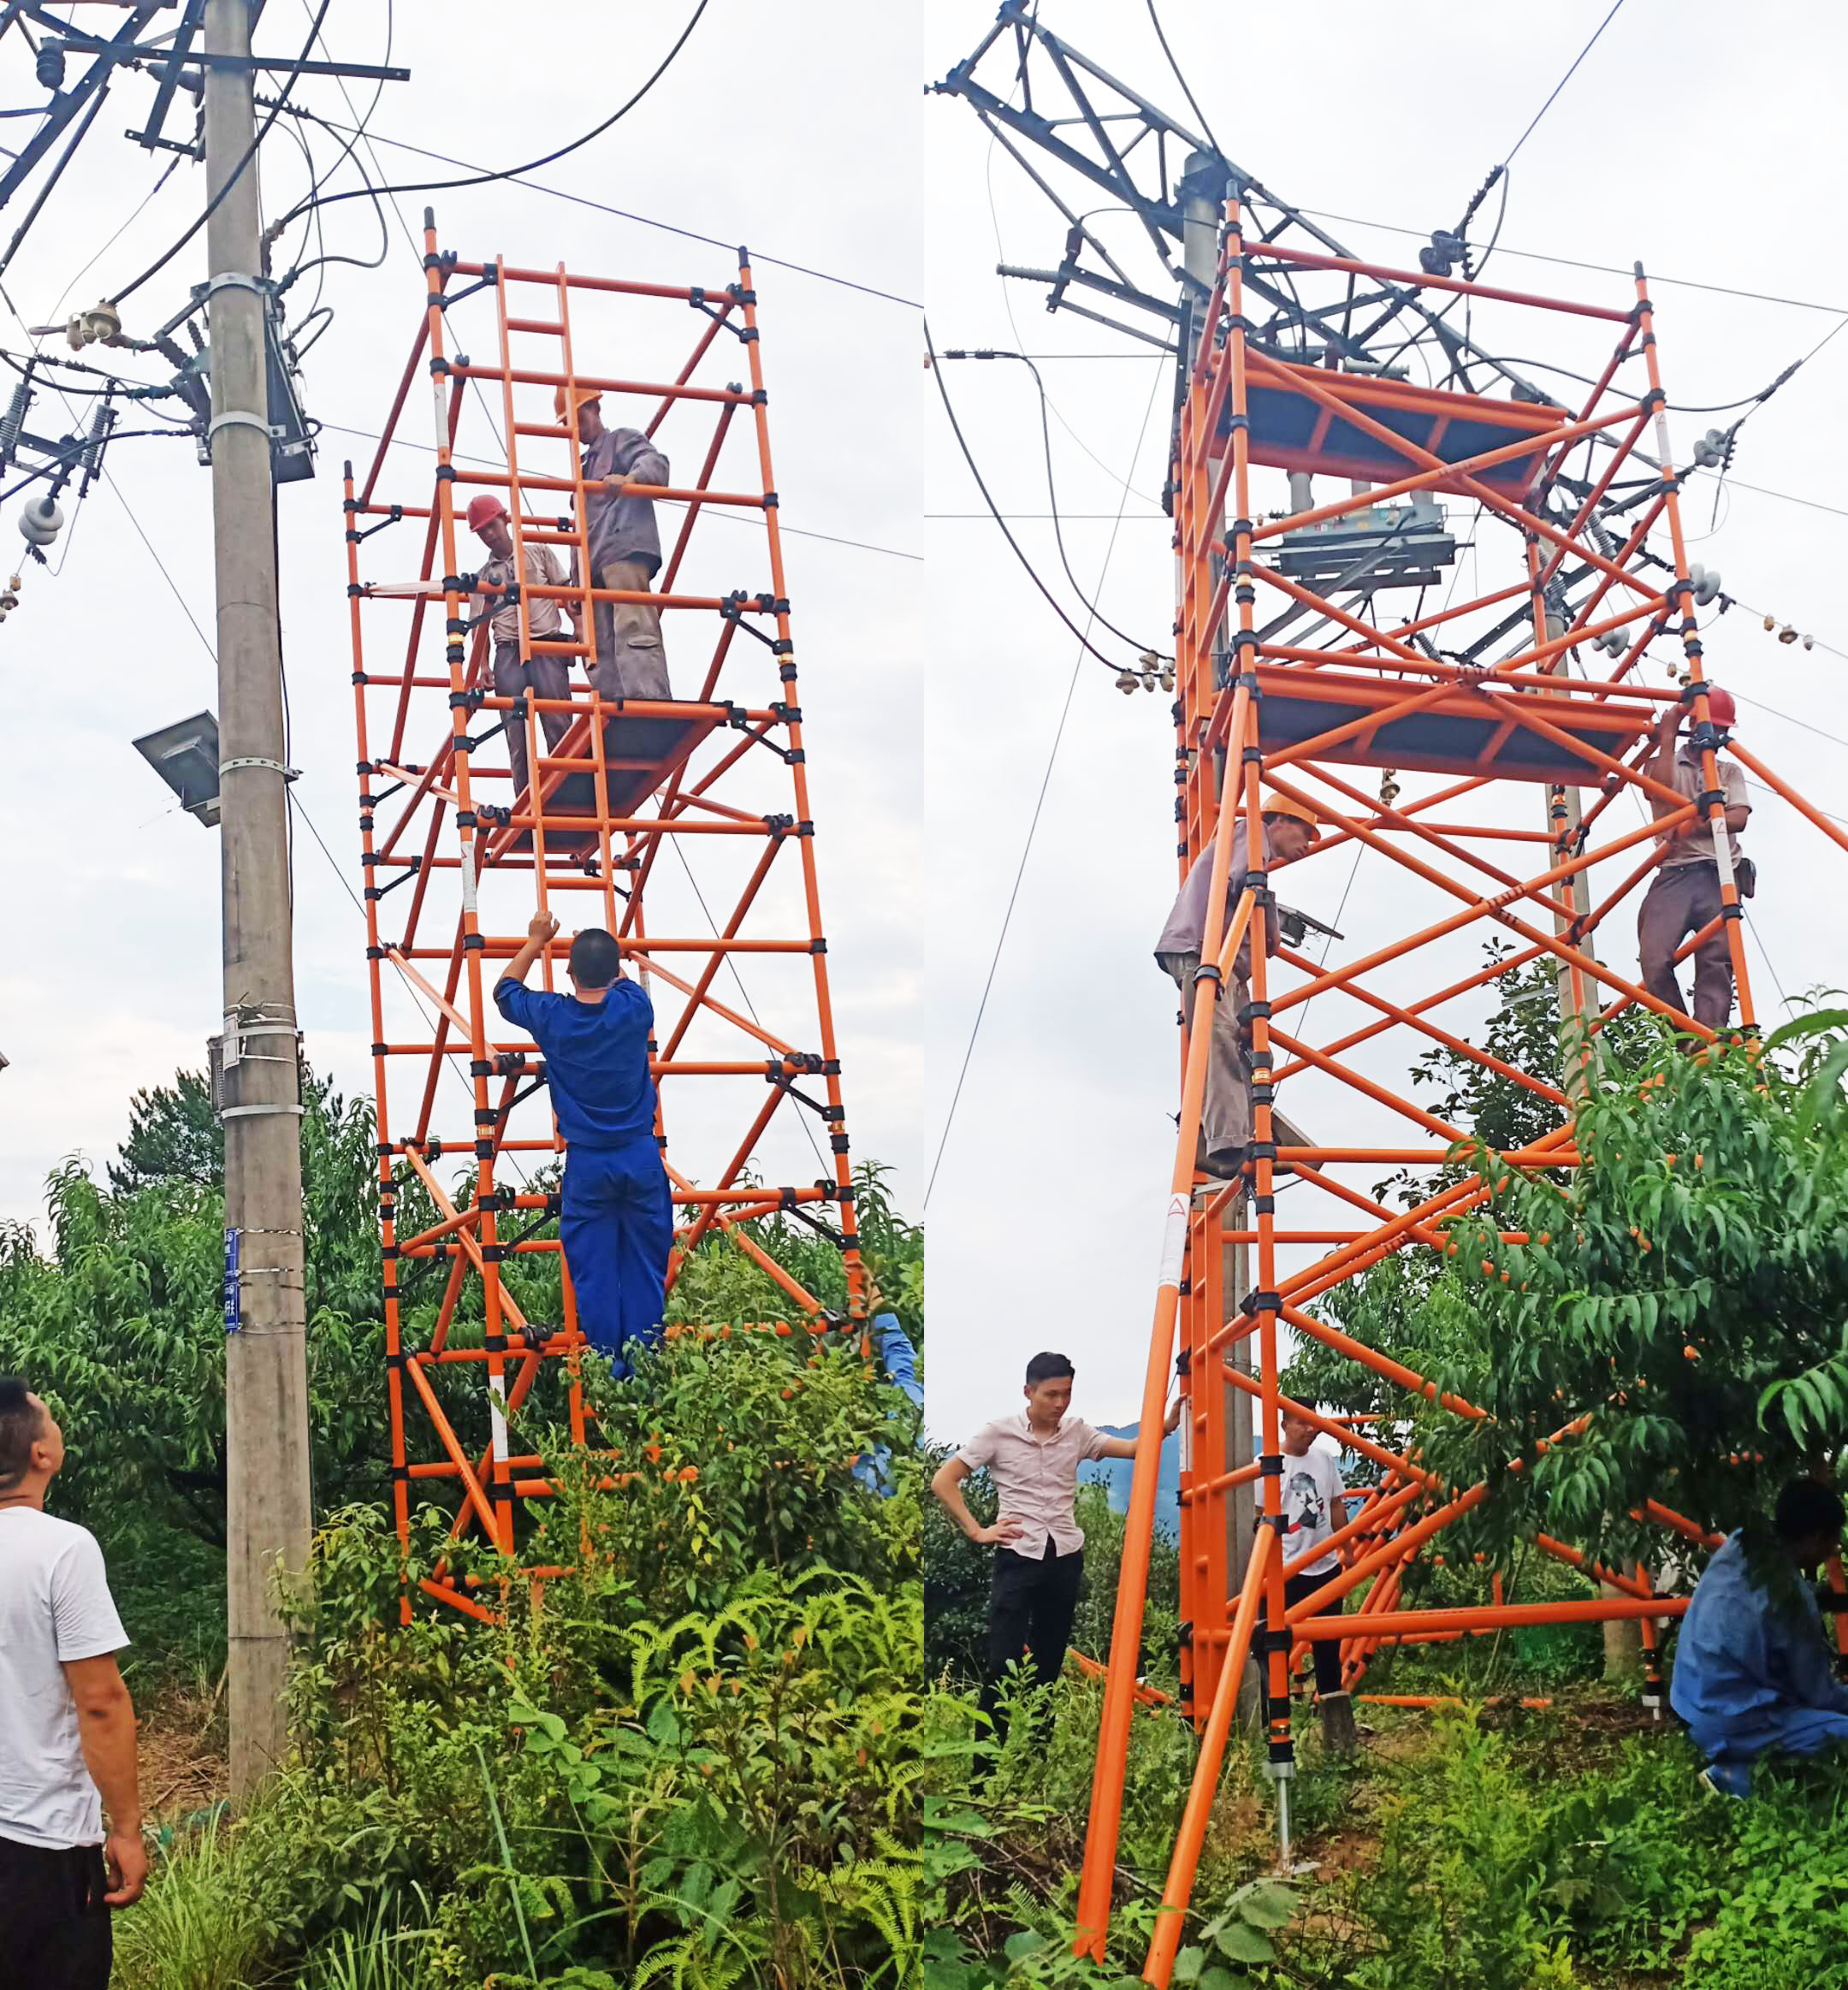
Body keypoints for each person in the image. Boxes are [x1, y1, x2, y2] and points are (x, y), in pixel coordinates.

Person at [933, 1352, 1181, 1734]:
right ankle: (985, 1768)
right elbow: (944, 1480)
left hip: (1064, 1556)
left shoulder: (1076, 1431)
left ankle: (1036, 1753)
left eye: (1066, 1394)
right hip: (1017, 1556)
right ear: (1028, 1392)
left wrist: (1165, 1426)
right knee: (1003, 1661)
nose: (1060, 1403)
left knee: (1049, 1663)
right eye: (1051, 1395)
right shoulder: (998, 1433)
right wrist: (977, 1530)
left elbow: (1132, 1450)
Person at [0, 1377, 145, 1987]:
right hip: (43, 1847)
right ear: (41, 1454)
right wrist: (127, 1831)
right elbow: (101, 1704)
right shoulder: (63, 1550)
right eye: (51, 1419)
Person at [493, 914, 673, 1376]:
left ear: (570, 974)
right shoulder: (635, 1009)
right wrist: (598, 954)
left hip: (589, 1162)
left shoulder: (554, 1016)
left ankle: (611, 1375)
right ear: (614, 971)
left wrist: (537, 940)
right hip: (641, 1155)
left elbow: (506, 991)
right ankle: (644, 1371)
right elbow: (622, 979)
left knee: (594, 1273)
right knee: (645, 1270)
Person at [1154, 792, 1318, 1179]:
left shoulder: (1250, 848)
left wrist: (1269, 930)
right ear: (1280, 821)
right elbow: (1243, 883)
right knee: (1221, 1037)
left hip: (1223, 959)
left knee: (1246, 1042)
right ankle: (1225, 1140)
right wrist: (1269, 927)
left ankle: (1241, 1126)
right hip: (1206, 952)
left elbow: (1253, 911)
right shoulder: (1250, 834)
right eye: (1305, 834)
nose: (1307, 846)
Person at [1669, 1478, 1848, 1797]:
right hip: (1728, 1720)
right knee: (1840, 1732)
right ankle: (1735, 1777)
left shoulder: (1743, 1540)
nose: (1831, 1552)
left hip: (1686, 1699)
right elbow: (1818, 1695)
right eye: (1832, 1543)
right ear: (1818, 1537)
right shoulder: (1792, 1601)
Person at [1637, 684, 1750, 1033]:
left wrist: (1693, 825)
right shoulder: (1661, 764)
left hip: (1719, 873)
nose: (1716, 736)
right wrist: (1668, 733)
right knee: (1654, 960)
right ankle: (1686, 1036)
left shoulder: (1728, 771)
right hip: (1675, 873)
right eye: (1711, 728)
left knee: (1717, 959)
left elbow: (1738, 819)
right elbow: (1663, 793)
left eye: (1721, 731)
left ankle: (1711, 1038)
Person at [556, 385, 672, 714]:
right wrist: (576, 586)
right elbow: (580, 532)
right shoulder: (582, 469)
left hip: (622, 550)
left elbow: (656, 465)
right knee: (599, 646)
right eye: (570, 424)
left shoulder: (621, 441)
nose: (576, 430)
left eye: (579, 418)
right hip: (593, 567)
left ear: (595, 409)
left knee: (633, 626)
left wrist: (632, 480)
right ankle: (613, 709)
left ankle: (648, 702)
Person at [1261, 1406, 1358, 1757]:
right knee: (1273, 1651)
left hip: (1325, 1566)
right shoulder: (1267, 1465)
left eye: (1312, 1420)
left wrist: (1346, 1548)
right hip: (1286, 1571)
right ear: (1284, 1423)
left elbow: (1335, 1507)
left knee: (1329, 1651)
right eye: (1301, 1421)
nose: (1309, 1428)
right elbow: (1258, 1523)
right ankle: (1274, 1734)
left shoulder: (1324, 1459)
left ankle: (1338, 1742)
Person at [466, 493, 572, 803]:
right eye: (481, 531)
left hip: (547, 644)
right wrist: (483, 667)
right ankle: (528, 800)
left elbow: (568, 595)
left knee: (558, 720)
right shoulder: (482, 578)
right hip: (508, 651)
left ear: (505, 520)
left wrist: (579, 629)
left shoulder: (538, 553)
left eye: (491, 526)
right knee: (516, 731)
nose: (488, 535)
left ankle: (569, 791)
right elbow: (478, 628)